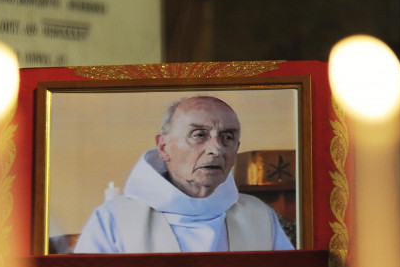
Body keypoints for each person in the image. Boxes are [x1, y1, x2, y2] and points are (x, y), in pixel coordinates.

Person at [72, 95, 295, 253]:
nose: (215, 149)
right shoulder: (113, 219)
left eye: (227, 137)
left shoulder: (258, 216)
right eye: (199, 135)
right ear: (163, 147)